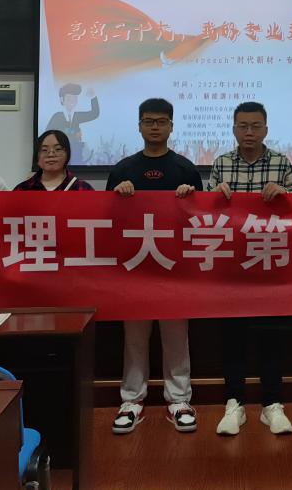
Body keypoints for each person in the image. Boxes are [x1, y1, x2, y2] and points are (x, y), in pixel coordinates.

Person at [106, 98, 202, 435]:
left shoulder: (186, 169)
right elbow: (106, 219)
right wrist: (117, 195)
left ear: (171, 126)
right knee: (134, 338)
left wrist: (190, 198)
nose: (155, 127)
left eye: (161, 121)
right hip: (135, 268)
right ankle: (131, 400)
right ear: (139, 126)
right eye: (148, 121)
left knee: (176, 337)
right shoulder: (123, 169)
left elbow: (201, 222)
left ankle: (179, 400)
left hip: (174, 268)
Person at [208, 102, 292, 436]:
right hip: (231, 267)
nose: (249, 132)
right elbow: (206, 215)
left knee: (270, 338)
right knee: (232, 337)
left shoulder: (281, 162)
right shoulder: (220, 164)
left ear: (266, 129)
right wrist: (214, 196)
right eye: (243, 126)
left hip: (269, 264)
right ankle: (234, 402)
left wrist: (285, 195)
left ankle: (272, 404)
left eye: (255, 126)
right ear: (234, 129)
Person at [13, 130, 95, 191]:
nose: (51, 154)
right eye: (44, 150)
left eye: (58, 149)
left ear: (67, 154)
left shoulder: (83, 189)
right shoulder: (23, 189)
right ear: (36, 156)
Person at [45, 83, 100, 165]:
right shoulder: (57, 117)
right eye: (69, 99)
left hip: (76, 154)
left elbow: (94, 113)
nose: (72, 101)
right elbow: (47, 135)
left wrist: (93, 97)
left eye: (75, 99)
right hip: (61, 156)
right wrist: (74, 133)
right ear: (62, 100)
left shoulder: (77, 116)